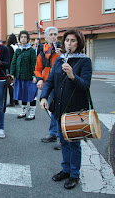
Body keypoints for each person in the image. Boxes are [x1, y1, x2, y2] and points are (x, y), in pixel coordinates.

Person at [40, 29, 92, 190]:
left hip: (75, 109)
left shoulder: (84, 61)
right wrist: (43, 97)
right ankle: (66, 169)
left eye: (73, 41)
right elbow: (50, 81)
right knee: (63, 141)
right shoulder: (59, 60)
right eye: (67, 40)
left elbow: (85, 86)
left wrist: (72, 75)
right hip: (60, 107)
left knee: (73, 143)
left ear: (79, 43)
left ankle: (74, 174)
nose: (69, 44)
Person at [34, 27, 62, 149]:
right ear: (46, 37)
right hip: (48, 84)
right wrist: (39, 79)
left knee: (60, 111)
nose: (53, 36)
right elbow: (37, 68)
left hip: (61, 84)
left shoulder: (62, 49)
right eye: (51, 34)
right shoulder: (42, 51)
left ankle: (62, 138)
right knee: (52, 109)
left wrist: (63, 55)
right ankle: (53, 133)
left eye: (55, 34)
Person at [10, 31, 37, 120]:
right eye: (22, 37)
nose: (23, 39)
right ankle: (23, 112)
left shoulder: (31, 51)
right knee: (23, 94)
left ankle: (32, 113)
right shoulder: (18, 50)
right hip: (20, 76)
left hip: (30, 77)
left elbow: (34, 64)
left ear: (28, 39)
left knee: (32, 94)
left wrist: (34, 75)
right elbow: (13, 62)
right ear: (19, 39)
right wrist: (12, 74)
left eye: (25, 37)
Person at [6, 33, 19, 107]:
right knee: (15, 84)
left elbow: (9, 59)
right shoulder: (17, 46)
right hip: (18, 68)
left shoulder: (9, 48)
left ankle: (12, 101)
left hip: (11, 67)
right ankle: (16, 100)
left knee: (10, 84)